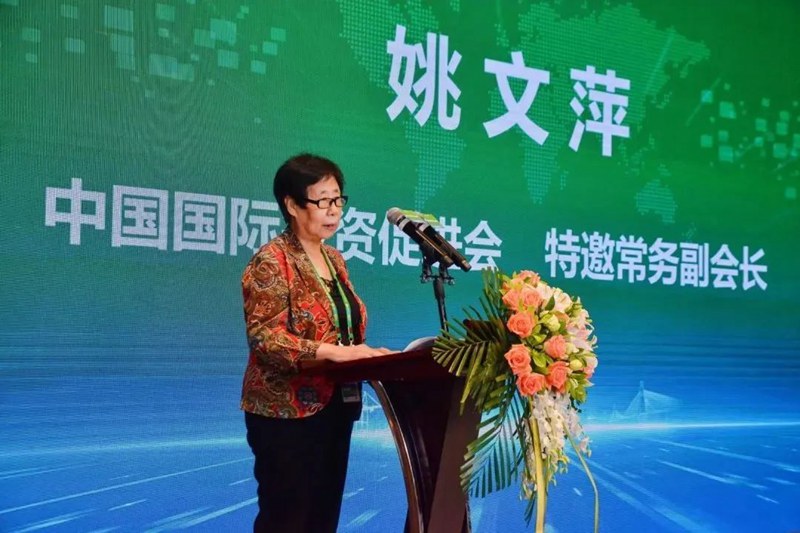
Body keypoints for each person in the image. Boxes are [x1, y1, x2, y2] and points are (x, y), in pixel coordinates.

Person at [240, 153, 391, 533]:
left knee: (322, 519)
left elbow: (342, 325)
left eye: (338, 199)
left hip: (335, 406)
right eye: (322, 201)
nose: (334, 210)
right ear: (292, 205)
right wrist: (336, 352)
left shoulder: (334, 259)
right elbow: (265, 338)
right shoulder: (272, 261)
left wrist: (364, 356)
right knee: (287, 520)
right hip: (285, 414)